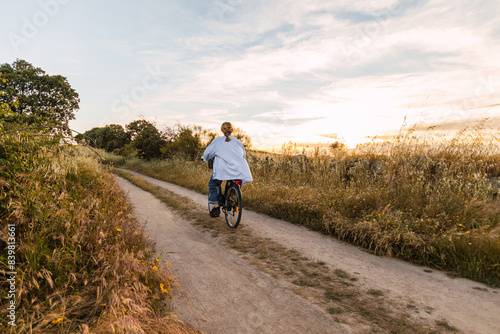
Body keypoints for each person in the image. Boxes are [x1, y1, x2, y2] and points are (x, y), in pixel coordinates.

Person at [202, 122, 253, 217]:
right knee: (233, 180)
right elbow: (243, 155)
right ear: (232, 130)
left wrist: (204, 158)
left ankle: (216, 207)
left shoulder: (217, 141)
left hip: (223, 169)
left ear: (222, 130)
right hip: (238, 169)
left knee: (213, 183)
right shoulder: (238, 142)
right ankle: (232, 198)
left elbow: (207, 153)